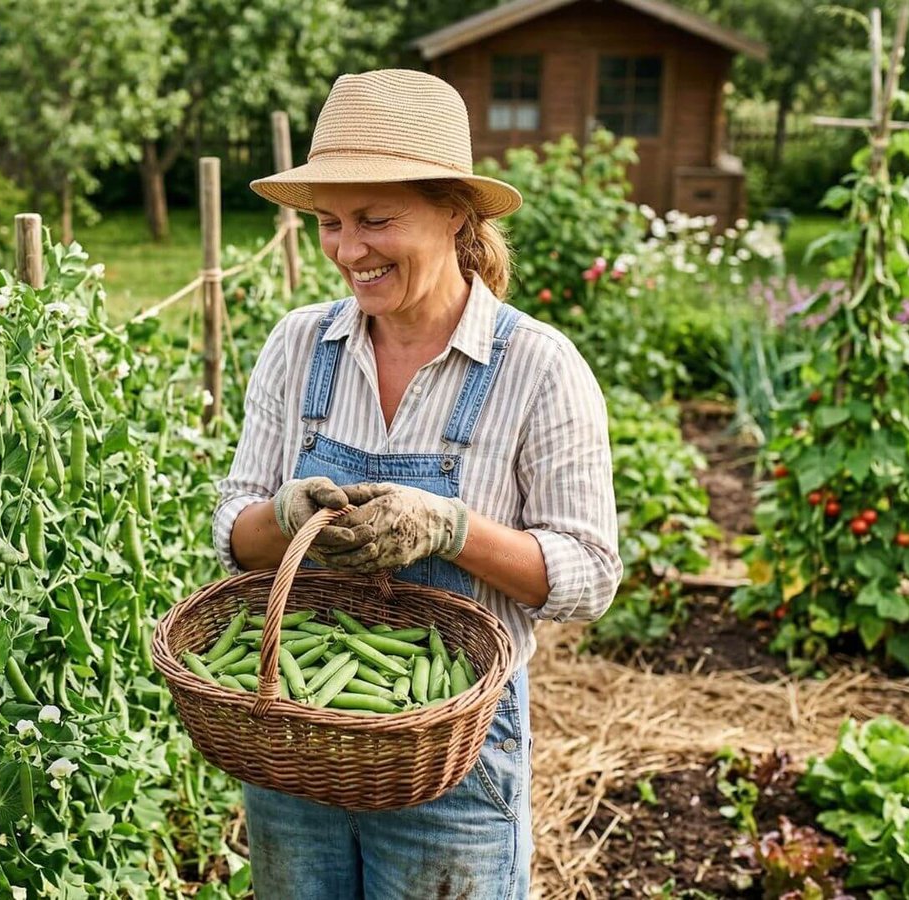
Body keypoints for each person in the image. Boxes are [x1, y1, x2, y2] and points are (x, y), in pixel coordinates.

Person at [213, 69, 623, 898]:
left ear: (456, 213)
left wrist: (451, 528)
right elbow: (234, 534)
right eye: (330, 223)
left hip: (454, 762)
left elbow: (589, 576)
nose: (348, 251)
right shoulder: (298, 347)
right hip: (297, 745)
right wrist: (285, 514)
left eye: (376, 219)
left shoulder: (538, 367)